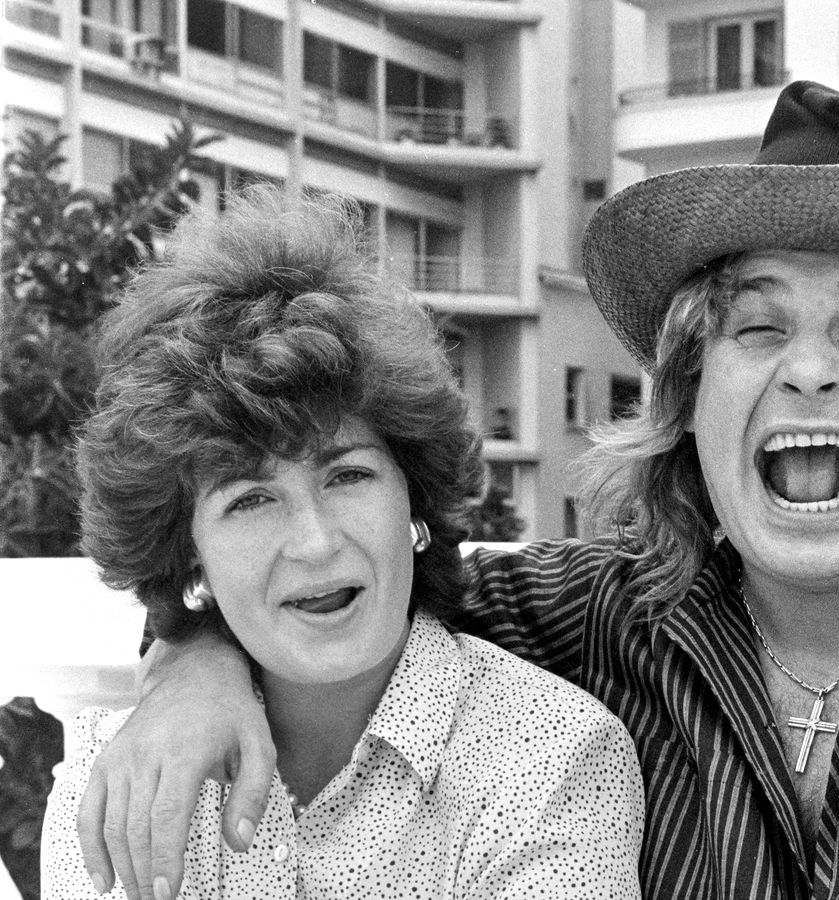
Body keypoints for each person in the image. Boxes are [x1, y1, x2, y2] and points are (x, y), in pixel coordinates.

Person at [74, 82, 839, 899]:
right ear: (690, 403)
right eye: (757, 328)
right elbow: (339, 591)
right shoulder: (594, 618)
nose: (809, 370)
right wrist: (195, 661)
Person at [42, 188, 643, 899]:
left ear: (413, 496)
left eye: (348, 475)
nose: (315, 542)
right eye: (250, 499)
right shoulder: (114, 778)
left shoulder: (553, 757)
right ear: (188, 550)